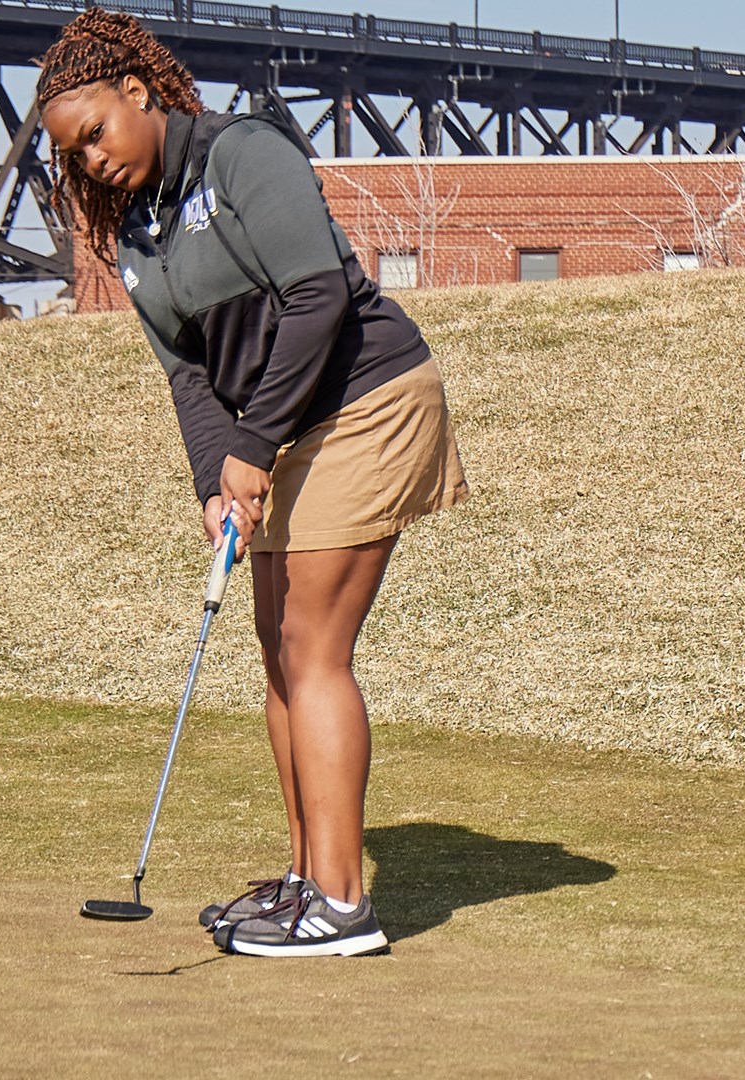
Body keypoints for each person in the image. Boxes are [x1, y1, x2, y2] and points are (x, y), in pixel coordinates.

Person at [37, 9, 467, 957]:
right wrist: (212, 479)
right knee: (277, 652)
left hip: (366, 400)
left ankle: (343, 908)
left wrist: (256, 443)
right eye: (73, 155)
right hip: (281, 435)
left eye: (96, 132)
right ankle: (307, 880)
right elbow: (189, 377)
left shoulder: (244, 152)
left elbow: (316, 298)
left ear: (137, 93)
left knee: (312, 648)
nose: (91, 160)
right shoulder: (139, 235)